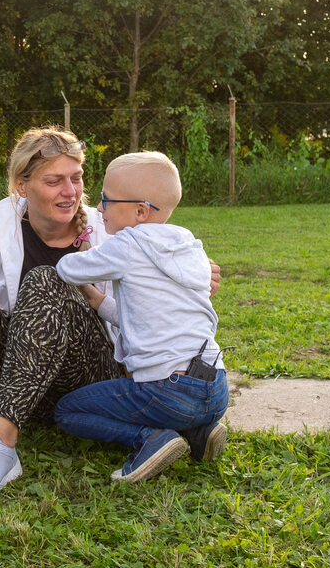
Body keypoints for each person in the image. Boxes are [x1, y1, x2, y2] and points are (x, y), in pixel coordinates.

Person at [0, 127, 221, 500]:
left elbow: (165, 261)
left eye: (77, 178)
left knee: (46, 279)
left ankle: (1, 441)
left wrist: (196, 273)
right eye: (54, 181)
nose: (70, 191)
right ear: (23, 186)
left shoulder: (115, 223)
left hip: (89, 378)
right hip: (9, 383)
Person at [53, 151, 228, 482]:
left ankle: (150, 439)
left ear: (140, 211)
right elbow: (144, 316)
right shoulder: (189, 245)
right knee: (187, 403)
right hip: (216, 387)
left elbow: (68, 269)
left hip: (167, 390)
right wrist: (97, 299)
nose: (99, 208)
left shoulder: (130, 242)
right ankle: (200, 432)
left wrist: (71, 253)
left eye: (105, 199)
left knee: (67, 410)